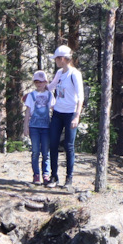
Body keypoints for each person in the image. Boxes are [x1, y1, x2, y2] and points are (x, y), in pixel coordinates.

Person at [45, 45, 84, 187]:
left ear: (62, 59)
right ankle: (53, 177)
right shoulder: (59, 73)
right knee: (53, 144)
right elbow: (51, 87)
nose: (55, 61)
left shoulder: (75, 74)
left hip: (70, 114)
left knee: (69, 146)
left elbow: (81, 97)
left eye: (56, 59)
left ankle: (69, 179)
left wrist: (76, 116)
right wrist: (36, 91)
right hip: (57, 113)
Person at [22, 69, 53, 184]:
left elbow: (54, 109)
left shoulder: (50, 95)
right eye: (37, 82)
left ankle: (46, 174)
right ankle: (36, 175)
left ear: (45, 82)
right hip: (34, 127)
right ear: (34, 83)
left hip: (46, 127)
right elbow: (27, 111)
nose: (39, 84)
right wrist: (26, 127)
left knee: (46, 152)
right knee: (35, 151)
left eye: (41, 82)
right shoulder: (31, 95)